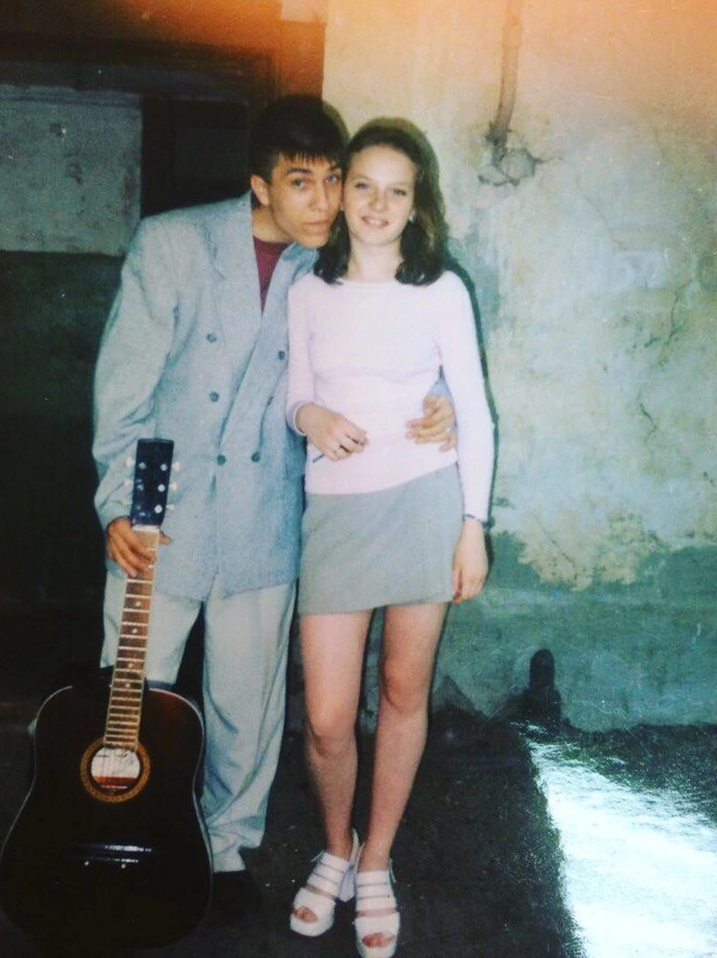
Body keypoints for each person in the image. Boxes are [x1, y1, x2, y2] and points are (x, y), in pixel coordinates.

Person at [91, 95, 456, 925]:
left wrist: (440, 399)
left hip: (265, 515)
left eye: (334, 179)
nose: (326, 202)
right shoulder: (174, 244)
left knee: (246, 704)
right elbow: (122, 388)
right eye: (302, 182)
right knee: (132, 691)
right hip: (159, 512)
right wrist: (117, 503)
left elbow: (397, 343)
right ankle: (118, 830)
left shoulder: (329, 267)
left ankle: (225, 849)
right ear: (259, 185)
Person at [285, 122, 495, 957]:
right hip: (336, 513)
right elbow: (294, 393)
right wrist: (310, 415)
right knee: (328, 717)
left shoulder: (442, 289)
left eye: (396, 190)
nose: (377, 204)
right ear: (342, 194)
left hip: (423, 503)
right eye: (363, 185)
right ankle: (333, 847)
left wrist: (473, 526)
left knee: (405, 693)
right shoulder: (309, 287)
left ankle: (375, 861)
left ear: (417, 204)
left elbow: (474, 411)